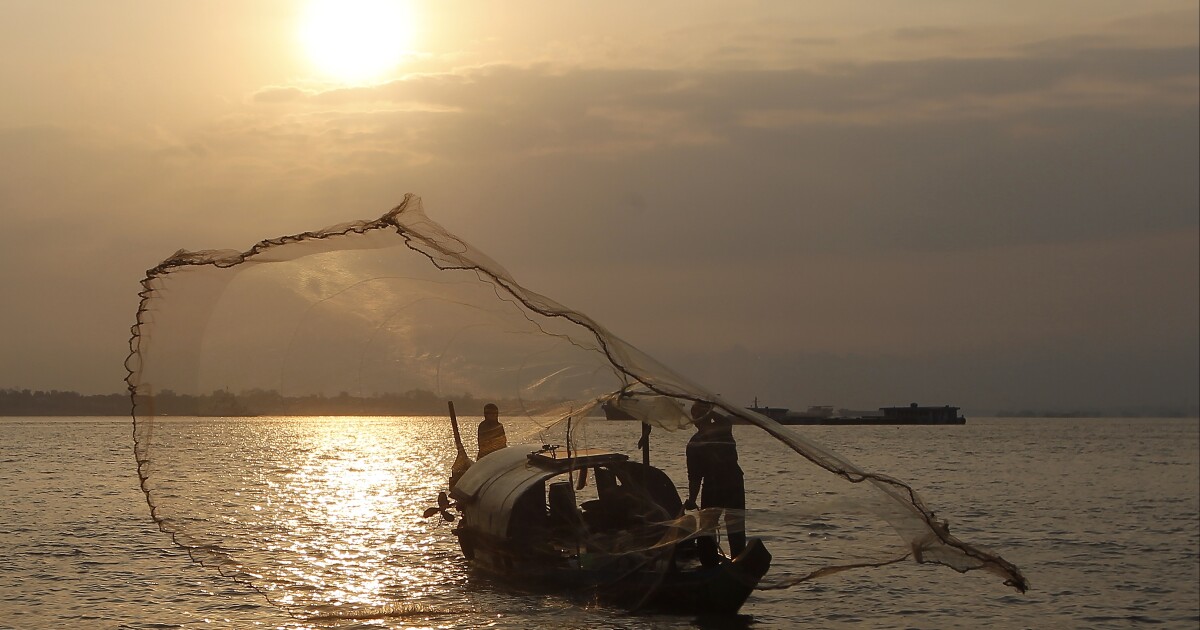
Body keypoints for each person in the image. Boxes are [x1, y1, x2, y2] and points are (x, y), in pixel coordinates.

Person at [683, 401, 746, 561]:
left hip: (721, 484)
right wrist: (692, 499)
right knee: (730, 525)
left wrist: (692, 499)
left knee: (711, 526)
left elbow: (694, 478)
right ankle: (735, 559)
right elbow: (695, 477)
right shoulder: (720, 430)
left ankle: (710, 561)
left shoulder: (699, 440)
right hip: (727, 483)